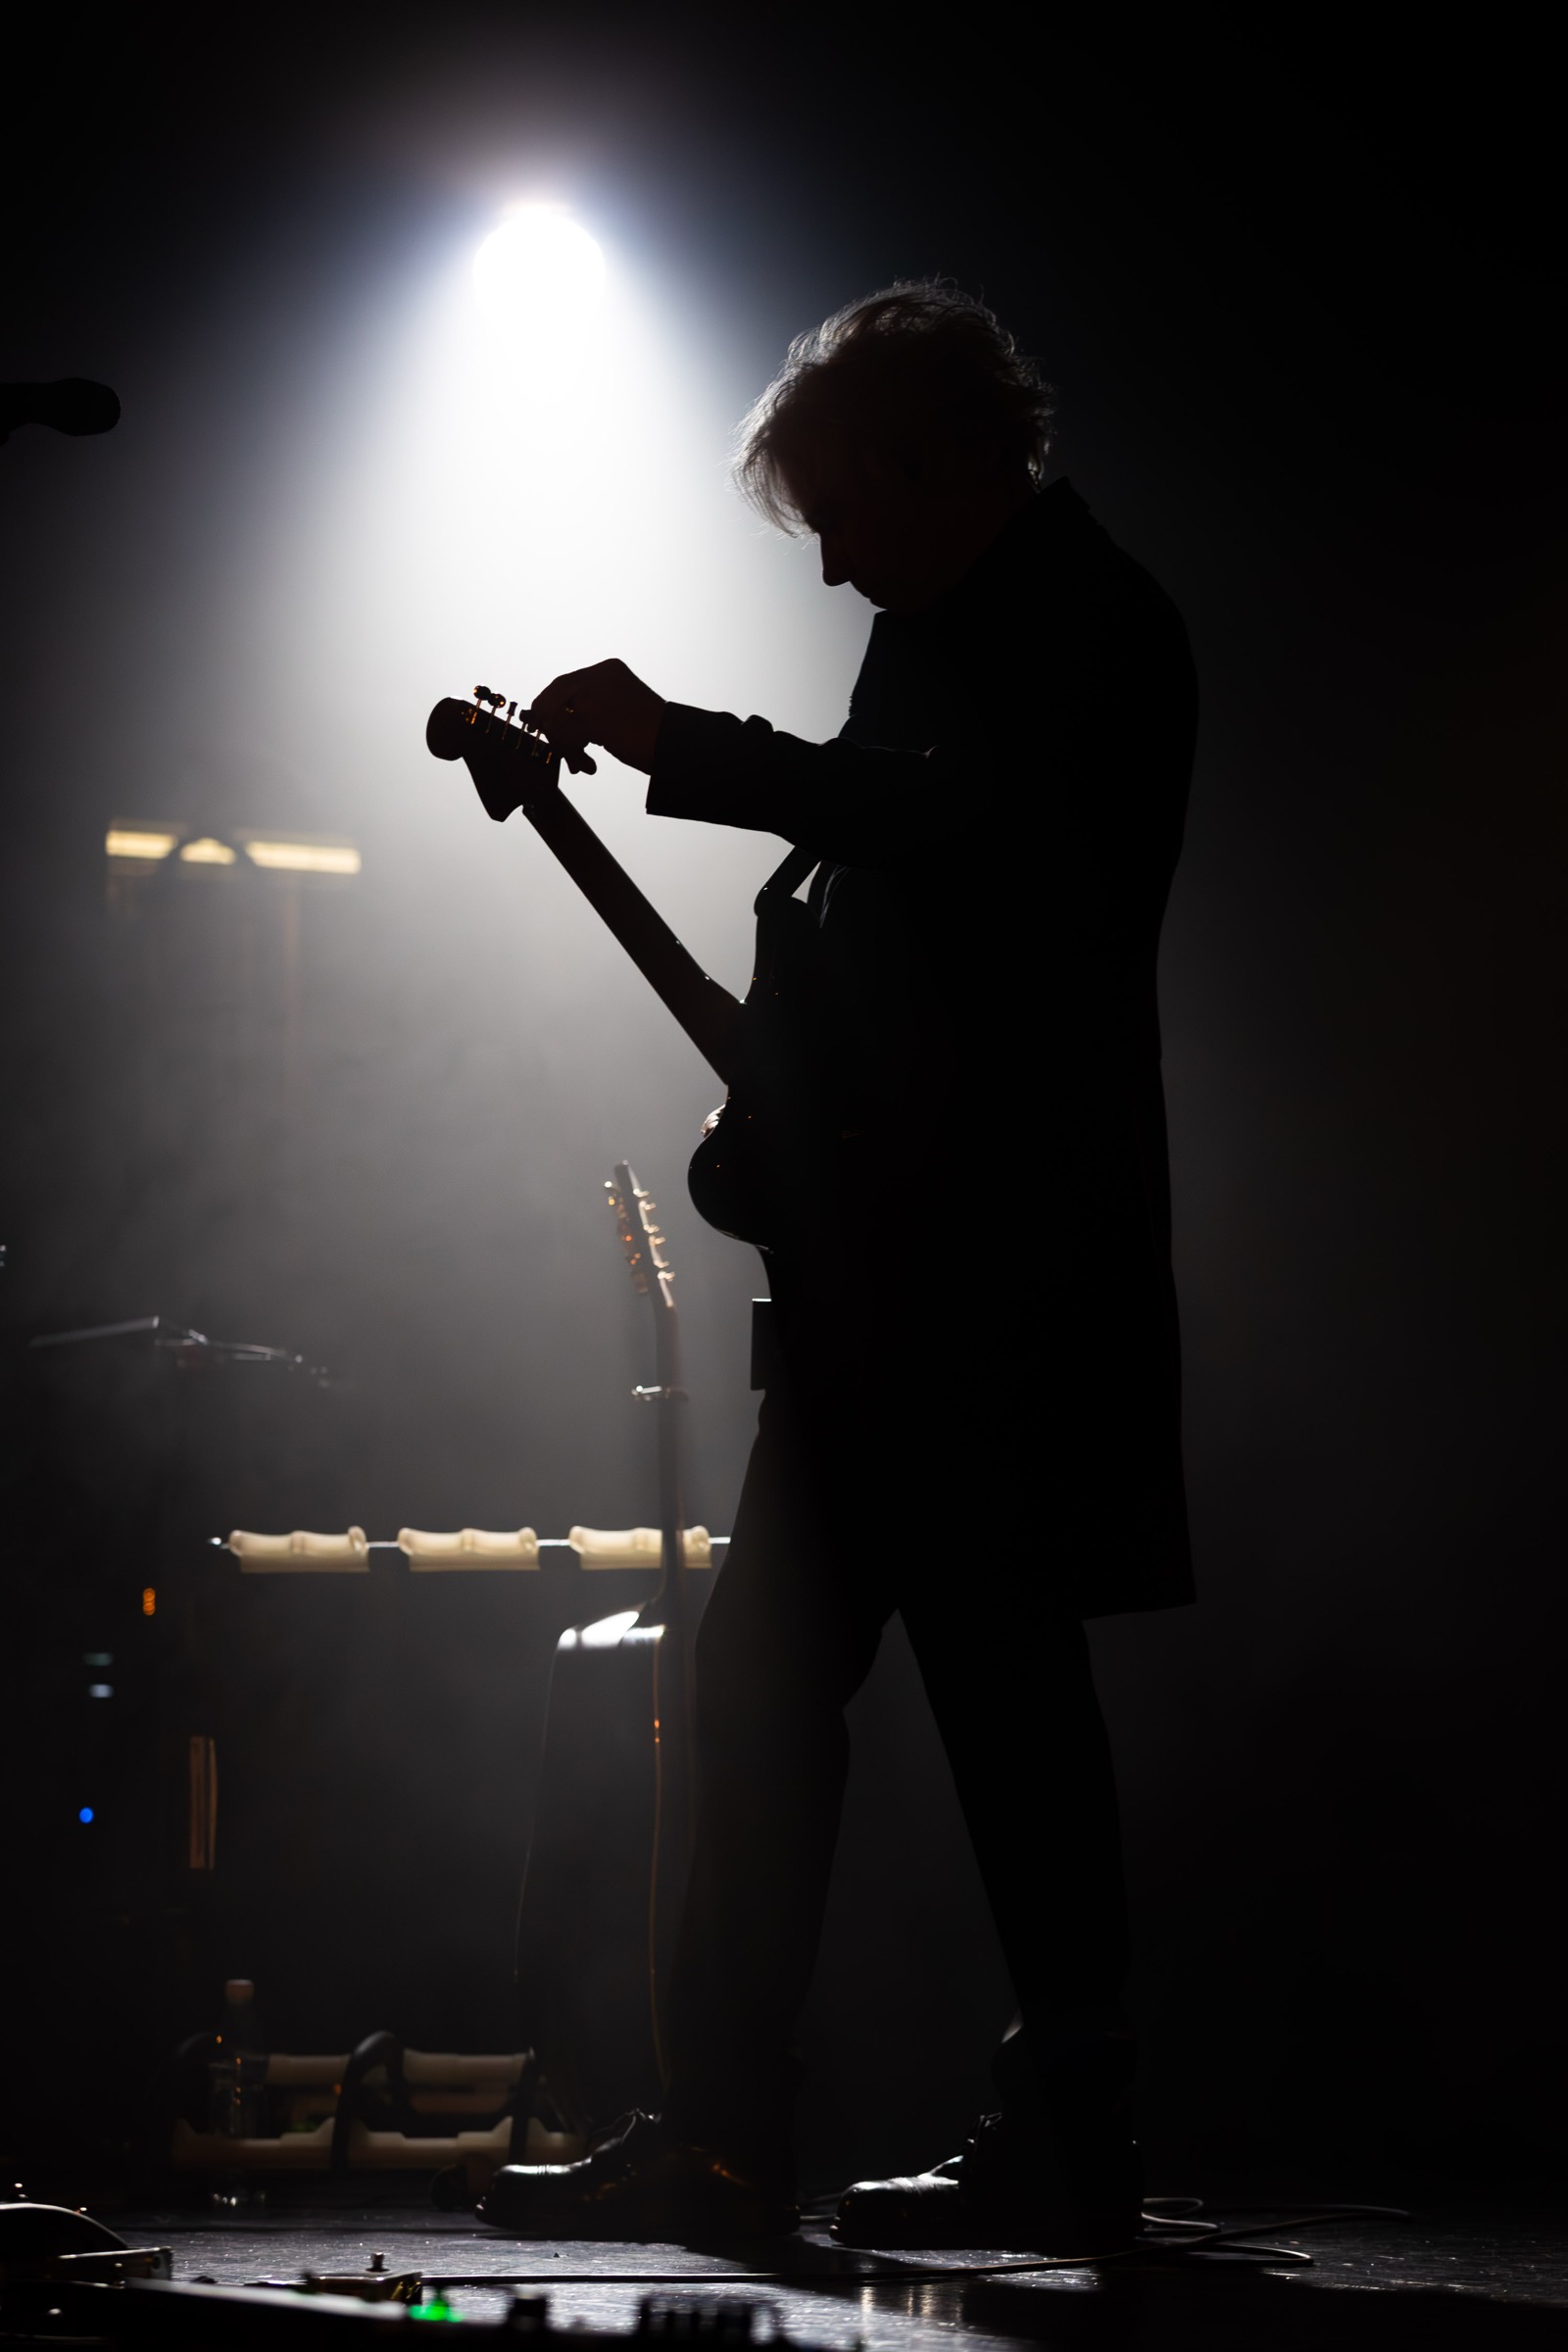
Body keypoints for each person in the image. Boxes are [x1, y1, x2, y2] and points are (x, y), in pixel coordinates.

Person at [481, 283, 1198, 2254]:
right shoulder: (965, 630)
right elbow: (892, 909)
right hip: (905, 1277)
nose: (828, 564)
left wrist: (679, 744)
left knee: (956, 1709)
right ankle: (804, 2131)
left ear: (923, 459)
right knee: (868, 1701)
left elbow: (944, 833)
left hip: (977, 1288)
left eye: (838, 516)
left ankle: (821, 2130)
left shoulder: (1086, 629)